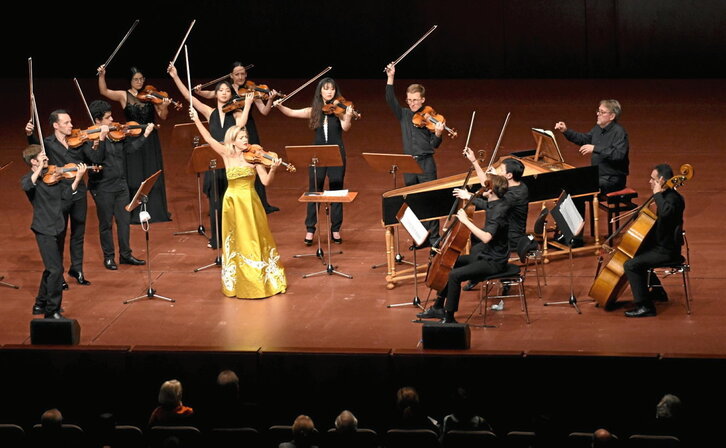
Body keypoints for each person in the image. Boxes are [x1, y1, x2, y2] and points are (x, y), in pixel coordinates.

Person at [190, 107, 287, 298]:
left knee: (254, 239)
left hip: (250, 202)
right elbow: (209, 139)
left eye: (246, 136)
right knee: (235, 240)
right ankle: (237, 282)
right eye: (242, 137)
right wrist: (196, 120)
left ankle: (260, 281)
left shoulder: (256, 157)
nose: (245, 140)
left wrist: (274, 169)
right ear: (233, 139)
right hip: (232, 202)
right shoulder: (227, 154)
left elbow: (266, 181)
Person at [168, 63, 254, 250]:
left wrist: (247, 105)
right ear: (216, 94)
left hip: (231, 163)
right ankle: (217, 238)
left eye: (227, 91)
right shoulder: (210, 113)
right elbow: (187, 96)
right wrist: (175, 76)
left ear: (231, 94)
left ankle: (233, 237)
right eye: (220, 90)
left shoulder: (236, 112)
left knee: (230, 203)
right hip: (213, 162)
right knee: (215, 203)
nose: (224, 93)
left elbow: (243, 124)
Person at [417, 174, 510, 324]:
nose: (483, 188)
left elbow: (486, 237)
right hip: (485, 254)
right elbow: (486, 205)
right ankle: (438, 307)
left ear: (491, 191)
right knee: (451, 262)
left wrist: (466, 221)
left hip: (494, 261)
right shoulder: (499, 201)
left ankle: (449, 317)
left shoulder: (498, 213)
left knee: (454, 275)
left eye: (486, 187)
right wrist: (470, 195)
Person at [275, 77, 354, 245]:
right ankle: (310, 229)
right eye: (325, 89)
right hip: (316, 156)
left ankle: (335, 229)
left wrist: (347, 116)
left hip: (336, 154)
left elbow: (346, 128)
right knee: (314, 191)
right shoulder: (314, 111)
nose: (329, 91)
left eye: (332, 89)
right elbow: (291, 112)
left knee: (336, 192)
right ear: (320, 91)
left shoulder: (340, 110)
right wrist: (280, 105)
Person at [195, 61, 280, 214]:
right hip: (231, 130)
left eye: (243, 74)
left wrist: (271, 100)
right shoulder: (226, 90)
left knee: (254, 161)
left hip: (247, 129)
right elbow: (211, 94)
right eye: (237, 74)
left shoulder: (251, 90)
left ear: (246, 74)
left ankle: (259, 202)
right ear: (231, 76)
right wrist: (200, 92)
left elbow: (264, 111)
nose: (240, 77)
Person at [25, 111, 95, 288]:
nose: (71, 125)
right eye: (66, 122)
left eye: (70, 121)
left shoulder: (77, 142)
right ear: (56, 125)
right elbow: (35, 150)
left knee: (79, 232)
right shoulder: (47, 143)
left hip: (78, 191)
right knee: (60, 234)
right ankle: (59, 275)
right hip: (59, 194)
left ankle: (77, 269)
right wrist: (29, 134)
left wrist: (96, 144)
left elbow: (93, 158)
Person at [98, 64, 172, 223]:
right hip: (132, 138)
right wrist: (102, 75)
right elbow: (104, 91)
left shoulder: (151, 96)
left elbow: (163, 116)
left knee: (152, 172)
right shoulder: (124, 95)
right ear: (130, 81)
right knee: (135, 173)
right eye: (135, 79)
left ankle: (155, 211)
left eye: (141, 79)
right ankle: (134, 210)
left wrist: (164, 106)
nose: (139, 82)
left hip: (150, 138)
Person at [21, 145, 86, 318]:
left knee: (51, 268)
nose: (47, 159)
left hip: (57, 227)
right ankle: (52, 310)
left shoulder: (53, 177)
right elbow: (28, 185)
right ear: (34, 161)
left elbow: (65, 197)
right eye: (43, 157)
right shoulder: (30, 179)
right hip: (44, 229)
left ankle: (39, 304)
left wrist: (77, 179)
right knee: (56, 270)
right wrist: (40, 168)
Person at [87, 100, 152, 270]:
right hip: (102, 187)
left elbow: (129, 150)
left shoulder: (117, 134)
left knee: (124, 221)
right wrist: (101, 138)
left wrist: (145, 136)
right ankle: (109, 257)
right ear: (98, 120)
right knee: (106, 224)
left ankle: (125, 254)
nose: (112, 120)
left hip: (121, 184)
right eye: (108, 118)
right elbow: (97, 159)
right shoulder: (89, 138)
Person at [385, 63, 444, 247]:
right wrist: (391, 77)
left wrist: (439, 134)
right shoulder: (403, 114)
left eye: (415, 100)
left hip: (426, 163)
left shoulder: (429, 118)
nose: (412, 103)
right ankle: (421, 238)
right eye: (409, 100)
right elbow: (390, 100)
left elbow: (434, 145)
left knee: (429, 201)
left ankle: (434, 239)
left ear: (423, 100)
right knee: (414, 203)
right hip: (408, 165)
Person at [457, 150, 529, 299]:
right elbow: (488, 186)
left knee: (481, 241)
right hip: (503, 228)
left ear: (509, 176)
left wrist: (469, 196)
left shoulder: (514, 195)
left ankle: (482, 274)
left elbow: (488, 202)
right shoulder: (512, 185)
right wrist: (474, 161)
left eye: (501, 170)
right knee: (477, 240)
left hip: (511, 235)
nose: (498, 171)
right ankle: (478, 273)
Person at [624, 164, 684, 317]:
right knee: (637, 253)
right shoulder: (666, 196)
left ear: (662, 180)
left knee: (631, 265)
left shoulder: (674, 199)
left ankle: (645, 306)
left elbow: (665, 213)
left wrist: (657, 194)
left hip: (667, 251)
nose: (650, 182)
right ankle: (658, 291)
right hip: (661, 245)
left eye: (653, 179)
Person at [554, 99, 630, 194]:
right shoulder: (598, 128)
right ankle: (575, 209)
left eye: (602, 112)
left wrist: (595, 148)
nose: (598, 114)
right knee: (571, 181)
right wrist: (565, 131)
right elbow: (584, 139)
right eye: (598, 111)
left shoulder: (619, 132)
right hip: (597, 175)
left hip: (613, 179)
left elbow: (618, 155)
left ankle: (577, 209)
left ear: (612, 116)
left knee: (578, 188)